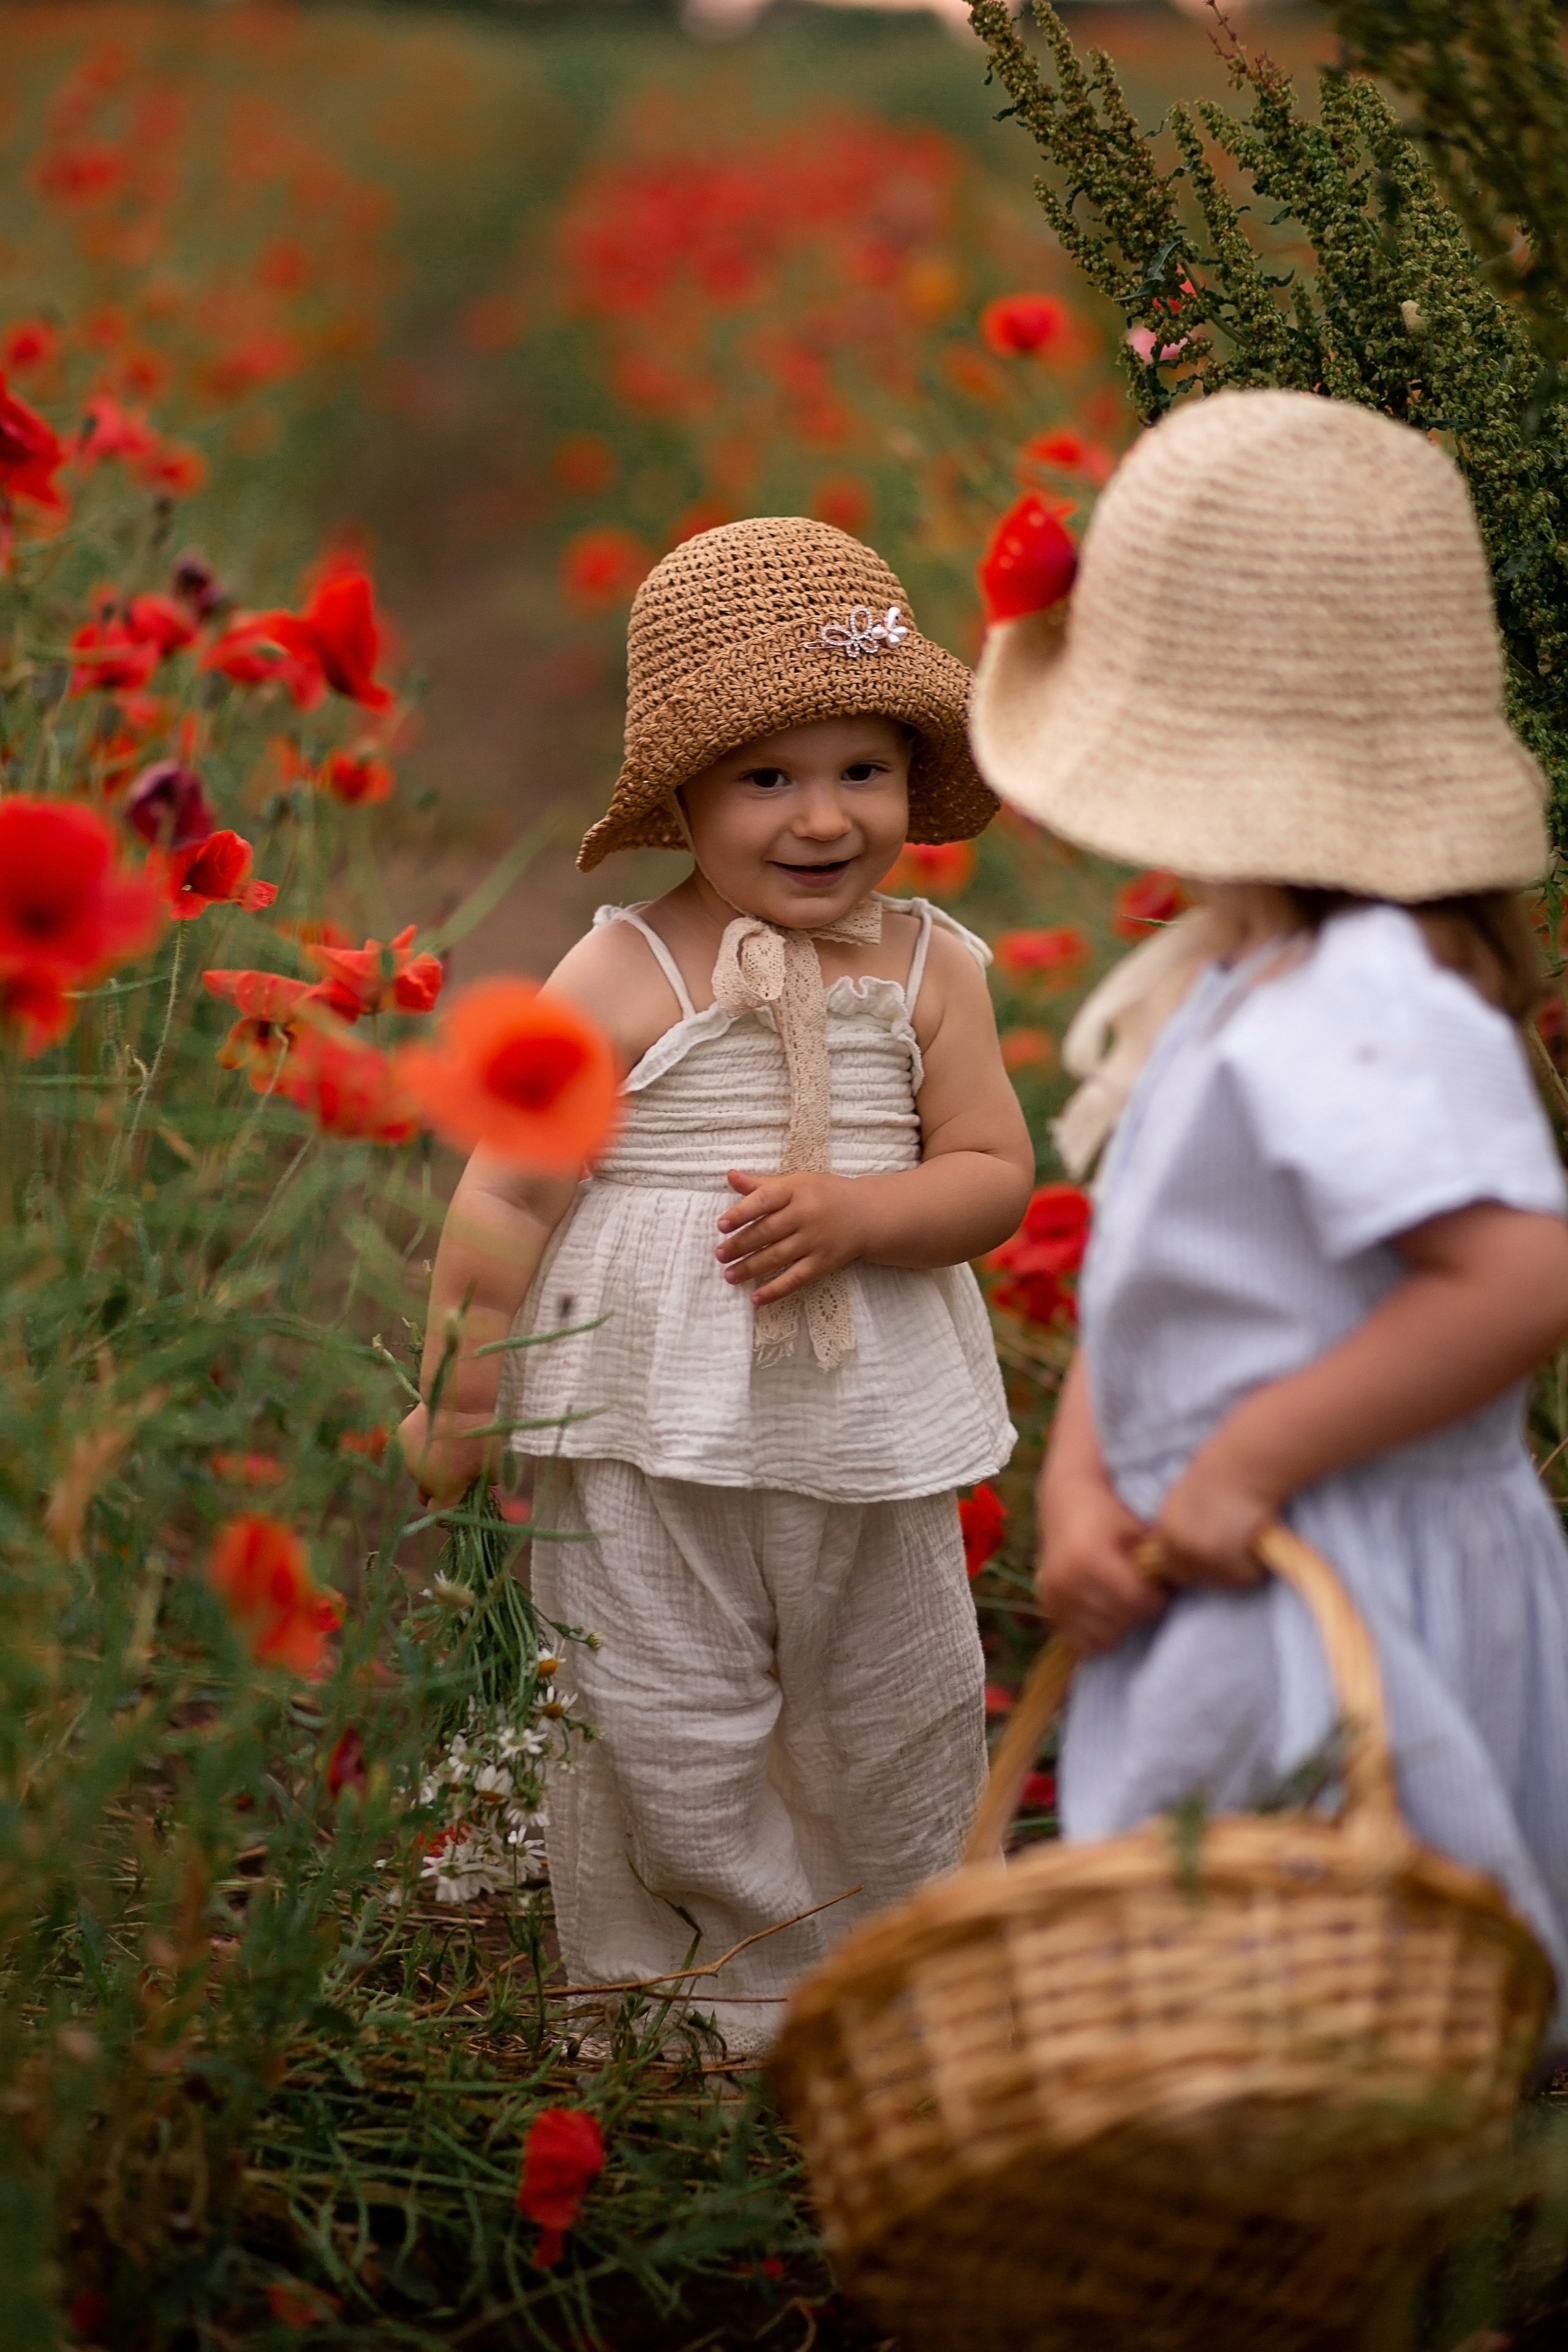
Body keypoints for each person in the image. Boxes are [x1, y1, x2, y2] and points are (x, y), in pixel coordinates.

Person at [970, 387, 1568, 2027]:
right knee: (1237, 1995)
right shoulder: (1245, 979)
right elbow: (1157, 1290)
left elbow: (1519, 1279)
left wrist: (1246, 1459)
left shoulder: (1366, 1000)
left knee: (1337, 2001)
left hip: (1338, 1586)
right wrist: (1084, 1483)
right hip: (1215, 1564)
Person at [400, 517, 1031, 2051]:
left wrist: (869, 1216)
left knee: (894, 1706)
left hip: (865, 1423)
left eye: (861, 772)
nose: (822, 820)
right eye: (767, 778)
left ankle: (885, 1981)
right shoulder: (626, 971)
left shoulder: (930, 967)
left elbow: (993, 1173)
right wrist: (456, 1393)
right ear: (680, 793)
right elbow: (509, 1182)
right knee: (663, 1717)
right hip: (639, 1417)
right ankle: (693, 2006)